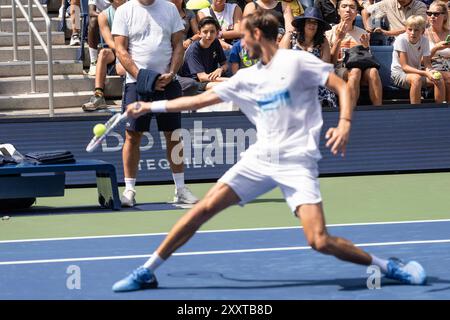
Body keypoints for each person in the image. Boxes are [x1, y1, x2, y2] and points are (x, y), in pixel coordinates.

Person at [112, 10, 427, 292]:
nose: (238, 41)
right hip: (260, 159)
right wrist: (149, 105)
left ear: (257, 35)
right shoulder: (246, 77)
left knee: (319, 241)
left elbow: (342, 86)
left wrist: (344, 122)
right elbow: (197, 101)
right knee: (202, 209)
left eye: (244, 36)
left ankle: (388, 266)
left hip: (297, 161)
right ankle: (147, 270)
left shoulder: (298, 61)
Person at [112, 0, 199, 207]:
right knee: (132, 136)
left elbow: (178, 44)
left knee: (174, 136)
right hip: (137, 84)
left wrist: (172, 73)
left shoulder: (169, 9)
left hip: (169, 83)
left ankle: (180, 189)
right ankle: (130, 190)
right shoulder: (125, 11)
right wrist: (144, 78)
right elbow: (120, 50)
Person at [326, 0, 383, 106]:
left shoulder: (362, 33)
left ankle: (378, 110)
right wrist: (338, 39)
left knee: (373, 71)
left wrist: (366, 47)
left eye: (352, 7)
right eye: (344, 6)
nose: (348, 10)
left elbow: (368, 59)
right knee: (355, 71)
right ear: (338, 11)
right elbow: (330, 63)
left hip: (361, 67)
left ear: (356, 12)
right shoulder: (329, 33)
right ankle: (351, 112)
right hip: (340, 68)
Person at [283, 7, 338, 108]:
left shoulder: (323, 41)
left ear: (319, 26)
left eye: (315, 23)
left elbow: (324, 66)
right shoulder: (290, 38)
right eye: (309, 22)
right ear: (303, 24)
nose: (312, 25)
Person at [82, 0, 126, 111]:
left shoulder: (135, 10)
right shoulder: (104, 15)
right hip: (118, 50)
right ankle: (98, 95)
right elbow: (110, 41)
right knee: (103, 53)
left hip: (136, 49)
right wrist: (122, 50)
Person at [390, 15, 446, 103]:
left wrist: (432, 72)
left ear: (422, 31)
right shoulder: (401, 39)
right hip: (399, 74)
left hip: (417, 72)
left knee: (439, 78)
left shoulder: (425, 40)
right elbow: (405, 67)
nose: (412, 33)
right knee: (416, 79)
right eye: (410, 29)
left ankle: (439, 111)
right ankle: (415, 112)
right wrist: (426, 73)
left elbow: (427, 64)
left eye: (416, 30)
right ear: (406, 29)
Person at [179, 17, 230, 90]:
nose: (209, 35)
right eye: (205, 32)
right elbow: (202, 77)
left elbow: (225, 64)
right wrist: (230, 80)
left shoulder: (215, 42)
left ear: (217, 33)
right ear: (199, 33)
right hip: (197, 82)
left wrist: (220, 69)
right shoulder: (194, 50)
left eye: (212, 31)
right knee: (226, 86)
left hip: (212, 77)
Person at [425, 0, 450, 102]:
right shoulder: (423, 34)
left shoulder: (449, 33)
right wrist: (436, 49)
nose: (432, 16)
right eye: (429, 13)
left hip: (448, 65)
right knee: (448, 79)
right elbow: (420, 61)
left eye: (436, 14)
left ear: (444, 16)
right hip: (432, 66)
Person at [86, 0, 112, 76]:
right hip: (101, 18)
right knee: (93, 21)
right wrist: (104, 16)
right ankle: (93, 62)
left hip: (117, 17)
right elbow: (91, 12)